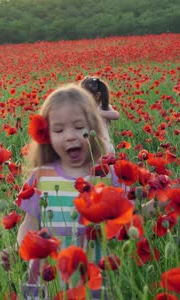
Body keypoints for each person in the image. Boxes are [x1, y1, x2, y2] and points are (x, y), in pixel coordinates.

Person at [16, 83, 120, 299]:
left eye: (78, 127)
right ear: (47, 135)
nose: (70, 136)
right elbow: (30, 224)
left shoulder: (104, 175)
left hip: (90, 272)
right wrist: (20, 253)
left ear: (93, 128)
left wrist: (156, 203)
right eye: (59, 130)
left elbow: (128, 215)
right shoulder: (41, 177)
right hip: (49, 275)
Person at [80, 76, 120, 154]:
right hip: (89, 148)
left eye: (86, 95)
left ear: (97, 96)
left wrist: (97, 113)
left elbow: (116, 115)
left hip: (104, 147)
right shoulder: (84, 108)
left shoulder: (103, 108)